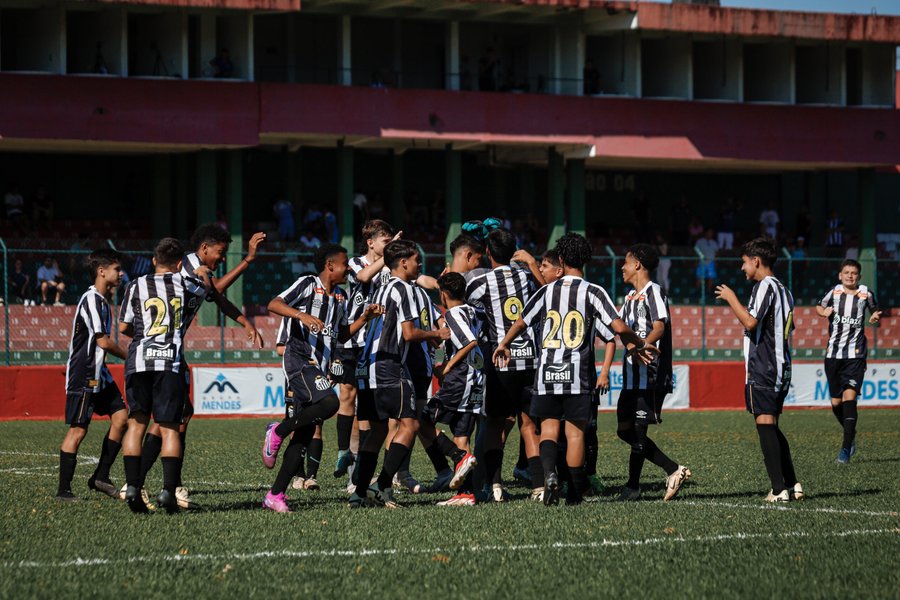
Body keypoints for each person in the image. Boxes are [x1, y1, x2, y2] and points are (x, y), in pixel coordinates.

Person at [493, 233, 657, 506]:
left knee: (547, 431)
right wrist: (638, 342)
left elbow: (521, 322)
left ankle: (549, 476)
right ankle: (574, 493)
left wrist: (504, 344)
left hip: (547, 371)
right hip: (577, 373)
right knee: (575, 434)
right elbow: (616, 329)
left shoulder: (547, 290)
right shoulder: (593, 291)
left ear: (560, 260)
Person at [126, 225, 265, 510]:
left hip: (158, 350)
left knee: (176, 416)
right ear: (204, 249)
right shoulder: (189, 265)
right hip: (166, 350)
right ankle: (162, 486)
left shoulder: (195, 269)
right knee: (171, 420)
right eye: (220, 252)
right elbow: (216, 292)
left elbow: (215, 296)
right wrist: (248, 260)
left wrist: (244, 322)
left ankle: (150, 484)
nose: (221, 258)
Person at [260, 244, 382, 512]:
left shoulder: (340, 297)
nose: (348, 269)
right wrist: (301, 314)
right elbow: (273, 303)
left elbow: (341, 334)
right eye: (344, 264)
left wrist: (364, 318)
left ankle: (275, 495)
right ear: (330, 266)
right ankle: (277, 430)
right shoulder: (307, 284)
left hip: (319, 365)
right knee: (330, 404)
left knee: (302, 437)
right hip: (299, 359)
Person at [349, 240, 450, 508]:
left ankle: (359, 492)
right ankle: (382, 485)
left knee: (380, 429)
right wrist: (436, 335)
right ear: (403, 262)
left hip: (367, 368)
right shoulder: (406, 290)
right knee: (412, 424)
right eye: (417, 260)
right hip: (392, 367)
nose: (420, 265)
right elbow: (411, 333)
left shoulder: (380, 290)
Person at [118, 238, 210, 514]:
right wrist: (202, 274)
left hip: (139, 360)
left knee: (136, 425)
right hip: (169, 362)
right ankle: (168, 492)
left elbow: (124, 326)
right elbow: (207, 291)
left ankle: (133, 487)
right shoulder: (187, 286)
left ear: (154, 260)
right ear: (180, 264)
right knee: (170, 427)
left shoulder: (136, 285)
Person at [715, 238, 803, 503]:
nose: (742, 268)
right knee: (772, 426)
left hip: (765, 366)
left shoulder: (765, 285)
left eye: (744, 262)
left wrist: (731, 298)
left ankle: (778, 490)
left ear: (756, 261)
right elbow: (790, 327)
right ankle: (792, 482)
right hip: (780, 365)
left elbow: (751, 322)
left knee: (765, 425)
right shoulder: (784, 290)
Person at [466, 228, 540, 503]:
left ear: (487, 253)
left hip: (502, 359)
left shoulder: (483, 281)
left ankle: (494, 485)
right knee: (529, 424)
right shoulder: (524, 277)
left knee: (495, 425)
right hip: (529, 358)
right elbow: (543, 293)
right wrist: (532, 264)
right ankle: (540, 486)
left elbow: (466, 304)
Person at [615, 244, 691, 502]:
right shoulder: (628, 297)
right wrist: (631, 346)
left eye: (625, 262)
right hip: (631, 373)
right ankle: (673, 469)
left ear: (637, 264)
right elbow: (622, 332)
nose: (622, 268)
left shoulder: (653, 291)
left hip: (650, 373)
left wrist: (643, 345)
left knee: (637, 431)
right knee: (623, 430)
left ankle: (633, 487)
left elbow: (659, 327)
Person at [56, 250, 129, 502]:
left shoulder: (103, 301)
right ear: (102, 271)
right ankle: (63, 491)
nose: (120, 274)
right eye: (117, 269)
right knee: (79, 429)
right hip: (84, 373)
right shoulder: (91, 299)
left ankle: (101, 477)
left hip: (100, 373)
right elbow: (103, 341)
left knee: (121, 418)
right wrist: (130, 355)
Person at [332, 220, 398, 481]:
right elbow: (363, 277)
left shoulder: (391, 267)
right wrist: (389, 254)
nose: (389, 244)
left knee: (368, 409)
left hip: (376, 342)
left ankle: (362, 472)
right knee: (347, 397)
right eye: (385, 240)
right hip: (351, 340)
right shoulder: (356, 263)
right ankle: (346, 459)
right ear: (371, 243)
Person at [816, 259, 881, 464]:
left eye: (854, 273)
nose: (850, 276)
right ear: (840, 275)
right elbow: (819, 306)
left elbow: (876, 310)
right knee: (836, 403)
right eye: (846, 272)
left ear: (859, 276)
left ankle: (845, 450)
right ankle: (850, 433)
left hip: (856, 354)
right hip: (833, 355)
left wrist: (875, 317)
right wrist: (823, 312)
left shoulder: (866, 293)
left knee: (849, 400)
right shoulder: (833, 292)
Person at [428, 272, 482, 506]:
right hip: (478, 379)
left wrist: (447, 367)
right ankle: (466, 494)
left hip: (461, 380)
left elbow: (470, 341)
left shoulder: (452, 314)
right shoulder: (472, 310)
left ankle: (459, 458)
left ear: (444, 294)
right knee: (461, 435)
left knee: (419, 420)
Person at [695, 228, 719, 293]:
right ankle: (697, 292)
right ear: (705, 233)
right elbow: (696, 251)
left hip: (711, 262)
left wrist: (715, 262)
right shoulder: (700, 241)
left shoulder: (714, 242)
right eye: (708, 232)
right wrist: (697, 261)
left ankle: (709, 291)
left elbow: (716, 253)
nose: (709, 234)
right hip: (702, 262)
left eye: (711, 233)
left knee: (711, 278)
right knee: (699, 277)